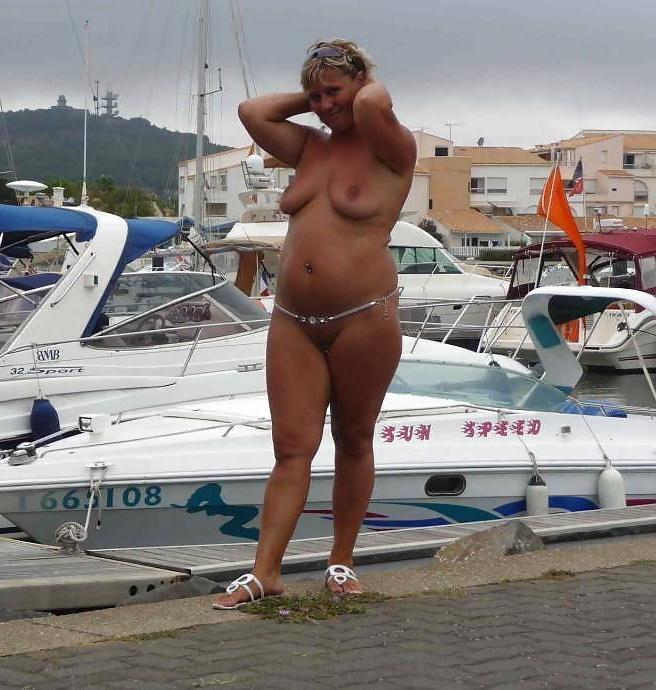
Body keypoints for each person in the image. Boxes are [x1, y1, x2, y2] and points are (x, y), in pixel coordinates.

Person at [213, 39, 416, 609]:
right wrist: (318, 98)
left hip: (363, 317)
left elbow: (371, 104)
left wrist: (355, 88)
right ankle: (265, 573)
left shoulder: (393, 150)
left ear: (360, 83)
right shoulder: (309, 147)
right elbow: (253, 112)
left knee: (353, 439)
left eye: (334, 92)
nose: (325, 105)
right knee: (290, 446)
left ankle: (341, 561)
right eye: (316, 96)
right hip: (294, 320)